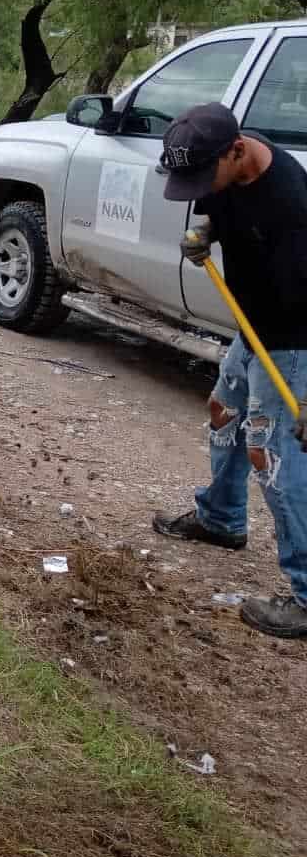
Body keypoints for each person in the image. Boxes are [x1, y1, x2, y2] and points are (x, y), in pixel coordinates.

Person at [151, 101, 307, 639]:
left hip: (292, 345)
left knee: (276, 461)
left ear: (236, 153)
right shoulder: (226, 160)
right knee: (223, 414)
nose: (197, 188)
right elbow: (217, 207)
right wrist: (208, 231)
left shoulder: (292, 202)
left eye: (201, 178)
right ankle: (221, 519)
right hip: (253, 329)